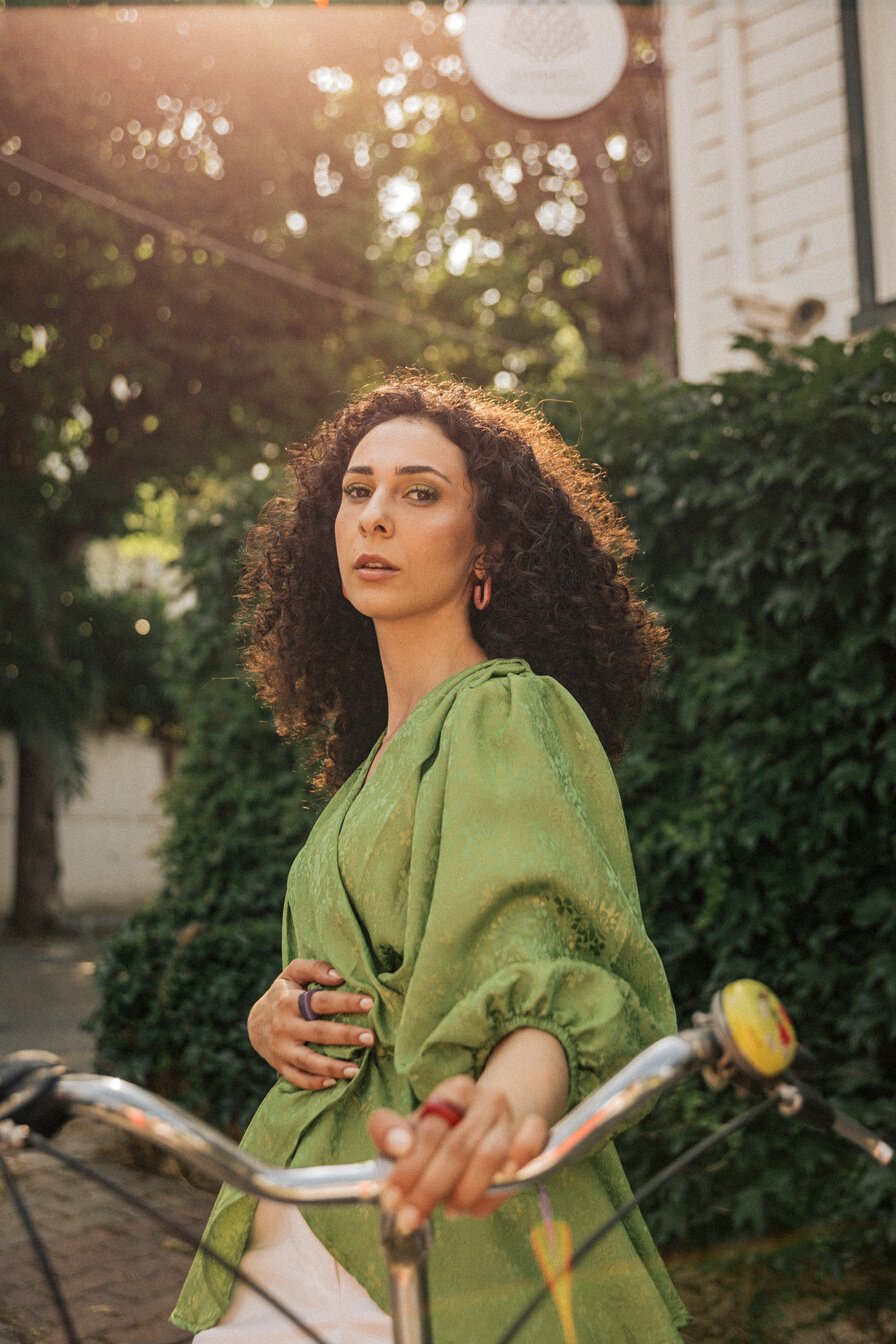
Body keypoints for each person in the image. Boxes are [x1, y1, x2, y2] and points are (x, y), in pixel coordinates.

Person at [172, 373, 687, 1344]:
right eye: (356, 490)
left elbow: (543, 963)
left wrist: (493, 1111)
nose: (374, 517)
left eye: (419, 492)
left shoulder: (502, 711)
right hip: (292, 1225)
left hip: (436, 1241)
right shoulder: (367, 765)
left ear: (484, 547)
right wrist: (273, 1016)